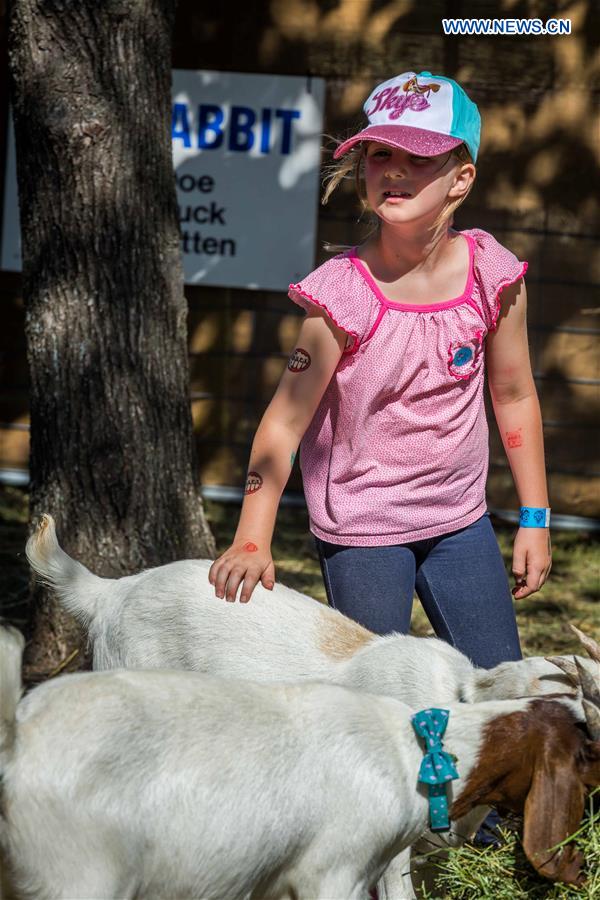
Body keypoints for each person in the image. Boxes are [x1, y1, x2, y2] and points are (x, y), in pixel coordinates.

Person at [208, 70, 552, 670]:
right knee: (374, 704)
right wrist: (251, 536)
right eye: (378, 153)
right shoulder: (343, 294)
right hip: (362, 531)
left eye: (417, 157)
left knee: (503, 692)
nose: (392, 169)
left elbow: (515, 394)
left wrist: (535, 518)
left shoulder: (489, 274)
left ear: (461, 179)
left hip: (460, 522)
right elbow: (285, 424)